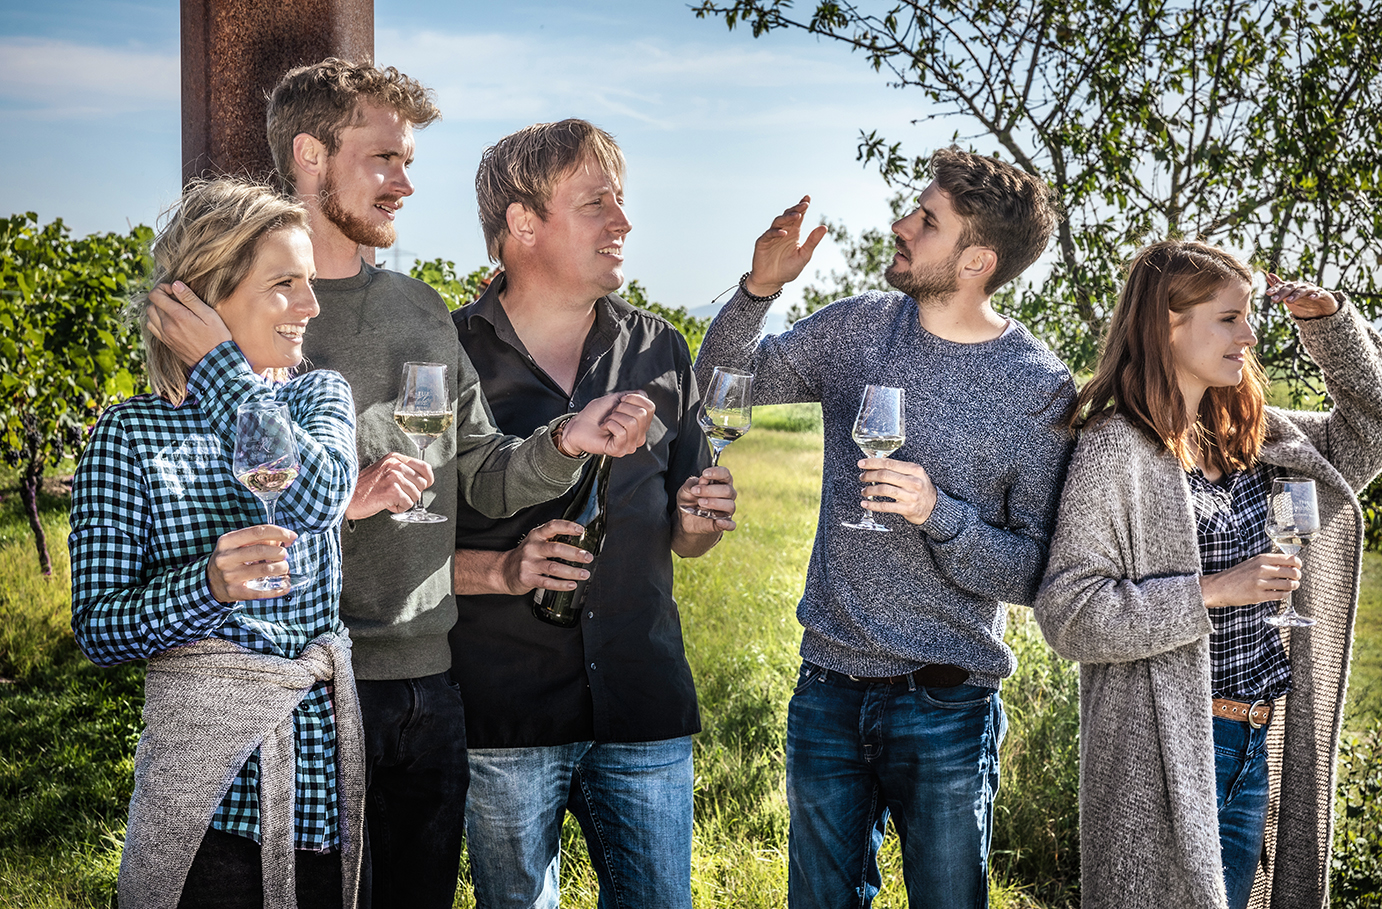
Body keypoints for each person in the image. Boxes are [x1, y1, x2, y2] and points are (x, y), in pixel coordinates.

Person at [152, 60, 654, 908]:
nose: (405, 183)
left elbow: (480, 474)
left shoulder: (420, 308)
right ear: (310, 155)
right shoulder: (241, 311)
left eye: (409, 161)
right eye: (384, 158)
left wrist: (565, 439)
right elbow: (204, 502)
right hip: (310, 685)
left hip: (431, 685)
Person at [696, 147, 1073, 907]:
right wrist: (758, 289)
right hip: (828, 691)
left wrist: (940, 515)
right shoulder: (858, 327)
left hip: (948, 706)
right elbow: (720, 388)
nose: (901, 224)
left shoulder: (1037, 386)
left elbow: (1035, 572)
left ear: (977, 261)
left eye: (927, 220)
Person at [1033, 240, 1382, 909]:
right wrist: (1215, 591)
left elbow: (1373, 426)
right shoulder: (1116, 448)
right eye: (1229, 318)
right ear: (1168, 324)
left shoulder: (1255, 435)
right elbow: (1071, 614)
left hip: (1256, 743)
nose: (1249, 335)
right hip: (1167, 751)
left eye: (1249, 316)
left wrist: (1329, 325)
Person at [448, 118, 736, 909]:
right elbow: (399, 546)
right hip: (504, 712)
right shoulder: (448, 356)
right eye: (596, 204)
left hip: (643, 701)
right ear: (523, 223)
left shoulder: (661, 348)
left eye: (621, 201)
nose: (624, 222)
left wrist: (699, 521)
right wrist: (503, 568)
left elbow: (688, 532)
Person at [71, 178, 362, 907]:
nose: (311, 305)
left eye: (309, 281)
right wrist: (204, 588)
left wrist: (221, 372)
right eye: (285, 284)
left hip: (318, 787)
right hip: (204, 798)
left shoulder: (318, 396)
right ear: (203, 298)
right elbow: (99, 627)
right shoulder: (129, 433)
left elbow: (319, 496)